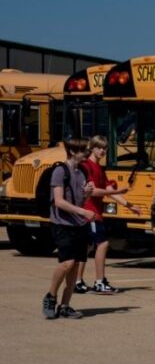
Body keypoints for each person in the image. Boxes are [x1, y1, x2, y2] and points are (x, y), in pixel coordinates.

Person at [74, 135, 140, 294]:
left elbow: (109, 191)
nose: (102, 151)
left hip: (94, 212)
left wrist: (129, 206)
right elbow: (93, 191)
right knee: (102, 244)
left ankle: (77, 282)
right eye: (99, 148)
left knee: (87, 246)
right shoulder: (86, 166)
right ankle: (99, 282)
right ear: (92, 147)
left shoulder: (99, 169)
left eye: (105, 148)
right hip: (90, 212)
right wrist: (118, 191)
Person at [42, 139, 95, 319]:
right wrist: (83, 212)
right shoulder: (60, 171)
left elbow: (80, 198)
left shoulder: (83, 171)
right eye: (83, 150)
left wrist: (87, 192)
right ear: (72, 151)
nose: (86, 153)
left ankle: (65, 305)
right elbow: (59, 201)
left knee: (76, 265)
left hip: (79, 224)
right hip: (61, 223)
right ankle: (51, 296)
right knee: (67, 263)